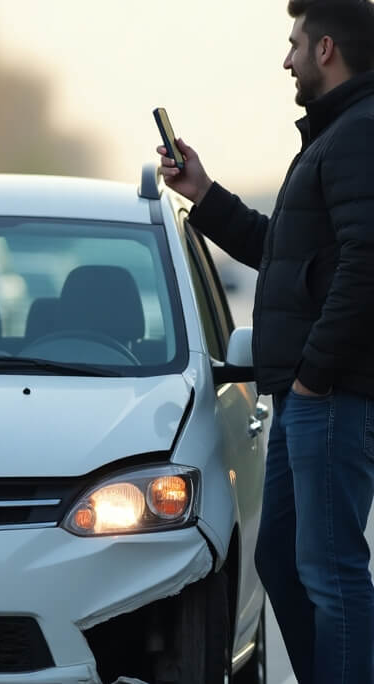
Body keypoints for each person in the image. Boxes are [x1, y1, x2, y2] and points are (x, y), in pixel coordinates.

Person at [157, 1, 374, 682]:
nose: (286, 59)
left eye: (295, 44)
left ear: (327, 49)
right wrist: (207, 193)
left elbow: (369, 263)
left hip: (329, 395)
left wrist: (315, 373)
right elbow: (282, 257)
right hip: (303, 394)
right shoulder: (331, 138)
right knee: (280, 555)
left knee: (332, 570)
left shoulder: (359, 135)